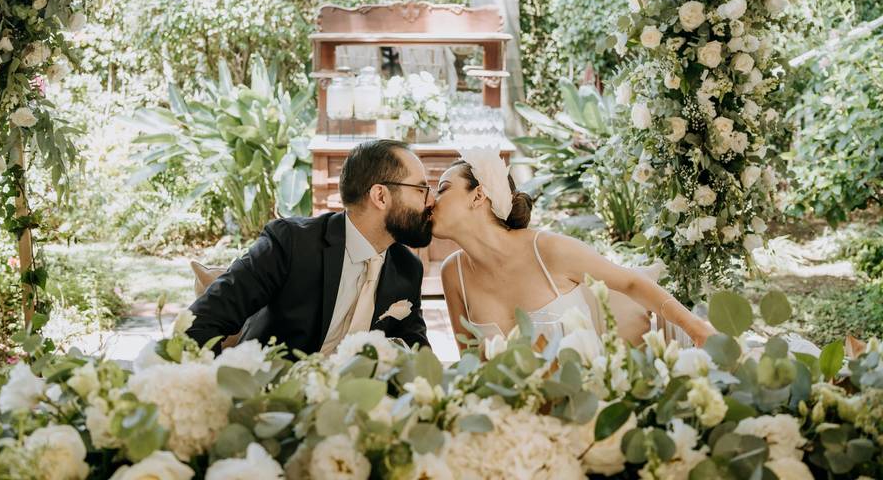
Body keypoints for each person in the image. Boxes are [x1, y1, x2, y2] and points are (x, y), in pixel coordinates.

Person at [432, 148, 716, 350]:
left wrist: (695, 327)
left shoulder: (547, 249)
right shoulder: (453, 274)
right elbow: (470, 364)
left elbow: (629, 282)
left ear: (478, 195)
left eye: (442, 189)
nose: (432, 200)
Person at [187, 139, 432, 354]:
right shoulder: (291, 243)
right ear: (380, 196)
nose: (431, 201)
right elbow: (201, 322)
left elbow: (417, 355)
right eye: (422, 189)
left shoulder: (406, 268)